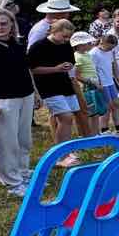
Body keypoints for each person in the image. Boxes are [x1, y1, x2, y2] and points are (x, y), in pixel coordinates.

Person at [0, 9, 39, 195]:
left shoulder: (18, 44)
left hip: (25, 95)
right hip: (3, 99)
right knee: (7, 142)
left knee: (24, 139)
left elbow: (26, 71)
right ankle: (12, 181)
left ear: (11, 24)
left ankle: (22, 172)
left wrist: (36, 93)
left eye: (3, 23)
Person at [28, 19, 85, 155]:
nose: (67, 40)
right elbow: (33, 69)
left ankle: (66, 150)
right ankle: (60, 154)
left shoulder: (66, 45)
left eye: (69, 37)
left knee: (68, 119)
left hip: (64, 85)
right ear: (54, 31)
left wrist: (69, 65)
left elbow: (71, 61)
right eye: (64, 36)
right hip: (47, 87)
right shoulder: (38, 46)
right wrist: (55, 69)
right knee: (66, 117)